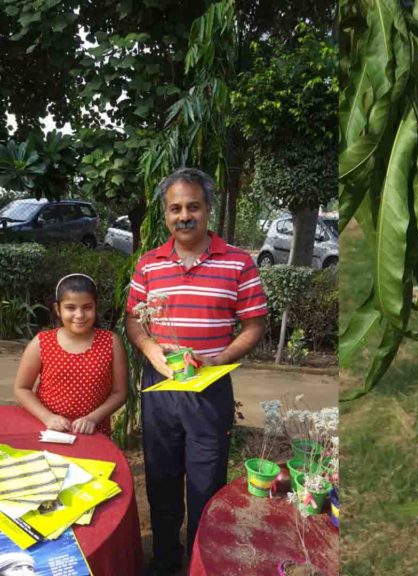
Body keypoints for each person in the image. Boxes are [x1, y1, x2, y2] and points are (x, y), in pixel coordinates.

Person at [125, 168, 267, 576]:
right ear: (166, 214)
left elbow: (255, 323)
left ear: (208, 209)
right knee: (161, 481)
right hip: (161, 388)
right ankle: (166, 560)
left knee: (207, 486)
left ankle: (201, 565)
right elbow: (134, 319)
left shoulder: (238, 262)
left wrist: (221, 358)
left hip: (209, 389)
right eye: (175, 208)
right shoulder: (149, 263)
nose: (183, 215)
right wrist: (151, 350)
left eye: (192, 207)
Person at [12, 274, 128, 436]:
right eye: (71, 307)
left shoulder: (111, 342)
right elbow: (21, 388)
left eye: (87, 307)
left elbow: (120, 392)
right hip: (47, 429)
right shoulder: (41, 343)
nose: (79, 315)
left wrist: (93, 418)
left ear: (95, 307)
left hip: (93, 432)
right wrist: (48, 417)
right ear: (58, 309)